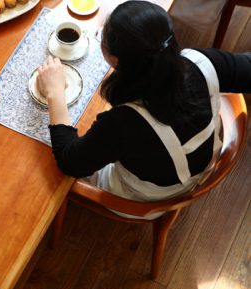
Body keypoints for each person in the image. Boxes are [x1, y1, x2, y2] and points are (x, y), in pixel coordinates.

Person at [37, 1, 250, 218]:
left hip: (145, 199)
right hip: (196, 167)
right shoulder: (202, 62)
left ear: (115, 59)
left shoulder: (123, 124)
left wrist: (55, 92)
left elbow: (70, 162)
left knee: (41, 158)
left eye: (103, 35)